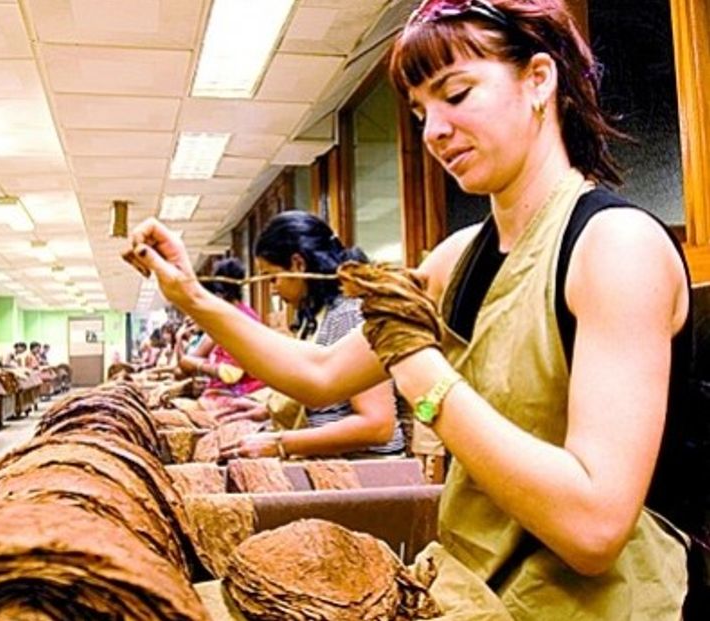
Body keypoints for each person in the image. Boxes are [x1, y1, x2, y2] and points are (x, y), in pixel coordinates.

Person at [126, 0, 698, 617]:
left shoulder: (615, 247)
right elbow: (319, 375)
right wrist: (192, 295)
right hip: (467, 587)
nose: (434, 131)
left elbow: (594, 527)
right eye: (422, 110)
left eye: (457, 93)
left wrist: (424, 376)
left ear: (538, 80)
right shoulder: (457, 258)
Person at [218, 211, 403, 459]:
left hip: (367, 471)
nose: (273, 290)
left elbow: (377, 425)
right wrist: (268, 410)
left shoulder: (348, 315)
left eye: (273, 278)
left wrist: (281, 443)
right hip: (335, 464)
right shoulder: (313, 318)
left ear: (298, 264)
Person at [176, 258, 266, 401]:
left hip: (239, 399)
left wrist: (197, 365)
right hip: (221, 393)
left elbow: (231, 373)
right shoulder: (226, 318)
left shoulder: (240, 320)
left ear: (220, 294)